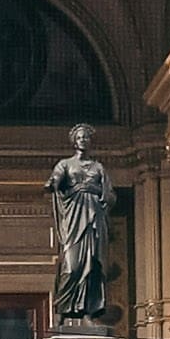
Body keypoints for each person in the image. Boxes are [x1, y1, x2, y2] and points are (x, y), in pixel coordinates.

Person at [46, 123, 113, 328]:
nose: (83, 140)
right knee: (71, 266)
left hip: (94, 218)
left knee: (92, 266)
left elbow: (109, 194)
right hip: (74, 216)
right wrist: (53, 183)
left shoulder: (98, 168)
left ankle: (88, 313)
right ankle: (62, 309)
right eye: (80, 137)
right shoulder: (65, 164)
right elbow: (56, 180)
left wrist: (103, 196)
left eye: (86, 137)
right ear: (74, 142)